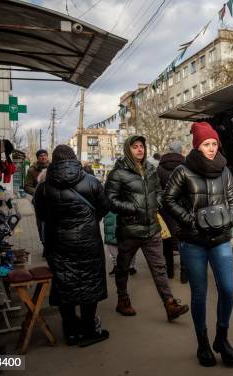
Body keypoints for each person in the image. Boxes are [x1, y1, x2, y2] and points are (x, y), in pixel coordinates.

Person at [163, 122, 233, 367]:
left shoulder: (224, 169)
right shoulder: (183, 171)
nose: (211, 148)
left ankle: (222, 338)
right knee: (199, 294)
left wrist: (228, 221)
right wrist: (190, 221)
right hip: (193, 242)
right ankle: (203, 343)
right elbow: (167, 199)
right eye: (206, 144)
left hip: (220, 240)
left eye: (214, 143)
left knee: (227, 290)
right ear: (197, 145)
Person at [105, 135, 189, 321]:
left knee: (159, 267)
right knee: (123, 267)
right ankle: (122, 300)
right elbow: (110, 200)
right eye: (135, 147)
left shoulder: (152, 170)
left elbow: (159, 191)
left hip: (152, 229)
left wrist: (156, 203)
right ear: (128, 149)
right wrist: (132, 208)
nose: (139, 149)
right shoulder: (118, 173)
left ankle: (169, 304)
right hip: (129, 230)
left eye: (141, 146)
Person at [33, 145, 110, 347]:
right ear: (74, 159)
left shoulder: (43, 187)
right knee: (89, 283)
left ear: (54, 162)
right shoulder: (92, 182)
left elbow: (41, 215)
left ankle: (70, 331)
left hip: (57, 245)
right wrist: (89, 222)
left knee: (64, 284)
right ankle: (88, 330)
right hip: (88, 243)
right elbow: (104, 207)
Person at [156, 141, 187, 282]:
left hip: (165, 208)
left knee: (167, 239)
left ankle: (169, 271)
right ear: (180, 151)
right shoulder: (186, 166)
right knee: (184, 238)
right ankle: (184, 274)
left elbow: (157, 189)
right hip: (182, 206)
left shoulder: (160, 167)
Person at [26, 149, 49, 247]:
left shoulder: (53, 167)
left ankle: (51, 244)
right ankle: (43, 243)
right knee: (40, 223)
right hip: (39, 201)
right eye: (41, 156)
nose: (43, 157)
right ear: (37, 158)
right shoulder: (32, 170)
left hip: (52, 200)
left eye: (45, 155)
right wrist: (37, 192)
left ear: (47, 157)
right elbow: (27, 186)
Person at [103, 211, 137, 276]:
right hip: (112, 229)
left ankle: (130, 267)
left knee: (129, 249)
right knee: (114, 250)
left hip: (123, 228)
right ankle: (118, 267)